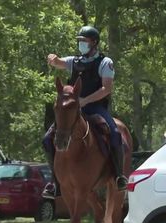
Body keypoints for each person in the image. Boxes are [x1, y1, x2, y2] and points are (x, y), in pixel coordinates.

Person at [42, 26, 128, 197]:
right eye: (79, 40)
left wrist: (86, 100)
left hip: (96, 107)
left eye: (84, 41)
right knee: (47, 138)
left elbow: (106, 89)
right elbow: (60, 62)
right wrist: (53, 59)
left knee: (115, 133)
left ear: (94, 42)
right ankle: (54, 181)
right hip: (74, 109)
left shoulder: (105, 62)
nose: (81, 43)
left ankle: (119, 176)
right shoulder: (74, 61)